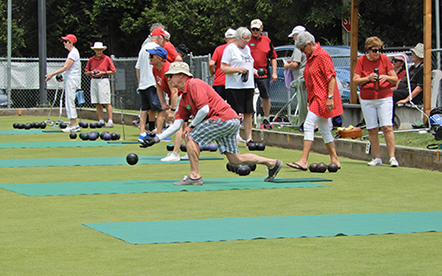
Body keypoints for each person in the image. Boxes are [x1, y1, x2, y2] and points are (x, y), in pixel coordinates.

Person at [139, 62, 283, 185]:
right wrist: (156, 139)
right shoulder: (184, 98)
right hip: (228, 121)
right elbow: (177, 124)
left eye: (171, 76)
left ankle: (195, 176)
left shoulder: (194, 84)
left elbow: (204, 109)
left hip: (223, 119)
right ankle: (272, 163)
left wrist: (192, 126)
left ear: (181, 75)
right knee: (235, 160)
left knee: (190, 136)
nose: (168, 79)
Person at [287, 31, 343, 170]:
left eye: (302, 49)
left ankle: (304, 161)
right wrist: (309, 100)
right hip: (315, 97)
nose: (301, 52)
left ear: (310, 44)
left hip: (323, 97)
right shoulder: (310, 57)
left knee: (308, 124)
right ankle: (335, 159)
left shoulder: (322, 56)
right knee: (324, 128)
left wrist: (330, 98)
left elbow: (331, 77)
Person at [353, 36, 399, 167]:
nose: (377, 53)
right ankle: (377, 157)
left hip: (384, 97)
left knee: (387, 127)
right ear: (368, 50)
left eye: (379, 50)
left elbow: (395, 79)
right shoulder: (361, 60)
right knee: (372, 129)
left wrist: (386, 77)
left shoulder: (384, 59)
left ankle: (392, 157)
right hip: (367, 98)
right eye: (374, 50)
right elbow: (355, 80)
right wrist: (367, 78)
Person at [146, 46, 184, 162]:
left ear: (160, 59)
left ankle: (176, 153)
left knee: (178, 124)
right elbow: (158, 86)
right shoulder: (155, 69)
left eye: (152, 56)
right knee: (185, 126)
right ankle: (190, 152)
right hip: (176, 96)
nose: (149, 58)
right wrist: (162, 103)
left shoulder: (168, 70)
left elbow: (174, 91)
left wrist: (172, 110)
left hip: (183, 95)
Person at [220, 27, 255, 144]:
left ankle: (249, 138)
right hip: (234, 86)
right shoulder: (230, 49)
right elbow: (223, 68)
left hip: (248, 85)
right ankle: (234, 136)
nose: (246, 41)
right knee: (235, 113)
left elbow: (248, 64)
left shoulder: (247, 49)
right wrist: (238, 69)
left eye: (248, 39)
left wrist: (255, 71)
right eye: (245, 39)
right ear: (239, 38)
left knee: (248, 112)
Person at [45, 34, 81, 133]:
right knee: (69, 101)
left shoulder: (73, 53)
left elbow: (66, 67)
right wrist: (63, 77)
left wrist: (52, 74)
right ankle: (74, 124)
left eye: (66, 41)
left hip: (72, 80)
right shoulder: (72, 53)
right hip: (69, 79)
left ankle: (74, 125)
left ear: (71, 42)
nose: (64, 43)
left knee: (69, 101)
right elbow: (69, 69)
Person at [135, 28, 165, 142]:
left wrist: (139, 82)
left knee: (145, 109)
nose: (163, 40)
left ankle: (143, 133)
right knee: (161, 108)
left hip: (143, 83)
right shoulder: (156, 48)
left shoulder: (143, 49)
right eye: (162, 37)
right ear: (158, 37)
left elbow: (137, 67)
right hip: (153, 83)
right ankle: (158, 134)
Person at [248, 19, 278, 129]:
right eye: (253, 29)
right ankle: (248, 117)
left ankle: (266, 117)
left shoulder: (267, 41)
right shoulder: (246, 40)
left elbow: (273, 57)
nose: (255, 31)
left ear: (261, 29)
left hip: (263, 74)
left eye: (257, 29)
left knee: (265, 95)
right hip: (249, 74)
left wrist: (274, 72)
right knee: (248, 95)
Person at [84, 42, 116, 128]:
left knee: (106, 101)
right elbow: (86, 72)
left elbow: (113, 71)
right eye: (97, 50)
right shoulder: (91, 60)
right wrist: (91, 72)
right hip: (94, 80)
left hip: (103, 80)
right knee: (97, 101)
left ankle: (110, 121)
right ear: (94, 50)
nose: (99, 51)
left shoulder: (107, 59)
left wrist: (103, 72)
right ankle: (101, 120)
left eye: (100, 50)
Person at [284, 25, 308, 128]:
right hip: (305, 77)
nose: (293, 38)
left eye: (294, 36)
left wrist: (286, 65)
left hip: (301, 78)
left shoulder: (298, 48)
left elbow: (295, 64)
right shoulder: (306, 48)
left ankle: (303, 123)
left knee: (303, 103)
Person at [209, 28, 237, 100]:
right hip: (233, 82)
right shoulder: (237, 49)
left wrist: (212, 72)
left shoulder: (219, 49)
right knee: (233, 107)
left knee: (218, 106)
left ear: (225, 39)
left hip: (219, 82)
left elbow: (211, 63)